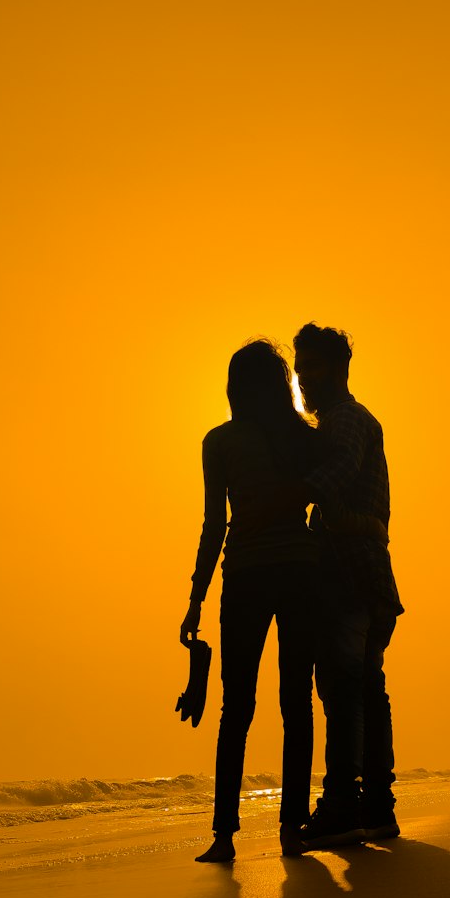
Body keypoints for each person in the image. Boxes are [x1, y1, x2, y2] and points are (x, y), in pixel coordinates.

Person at [181, 340, 319, 863]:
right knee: (296, 703)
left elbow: (214, 523)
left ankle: (223, 836)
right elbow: (323, 493)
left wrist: (196, 596)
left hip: (244, 576)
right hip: (301, 573)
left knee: (235, 708)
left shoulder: (219, 441)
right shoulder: (302, 438)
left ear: (234, 388)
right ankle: (291, 829)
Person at [293, 323, 404, 847]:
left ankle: (342, 806)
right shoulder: (353, 420)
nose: (303, 377)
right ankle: (377, 806)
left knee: (341, 691)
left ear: (338, 370)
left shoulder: (345, 422)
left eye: (311, 366)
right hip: (370, 575)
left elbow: (332, 476)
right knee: (365, 690)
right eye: (299, 367)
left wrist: (278, 497)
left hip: (347, 572)